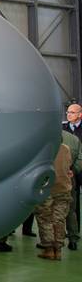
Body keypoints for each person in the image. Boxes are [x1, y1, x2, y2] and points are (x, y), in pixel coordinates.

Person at [37, 135, 75, 260]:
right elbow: (69, 167)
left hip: (47, 188)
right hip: (64, 188)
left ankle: (49, 249)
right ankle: (58, 250)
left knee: (45, 218)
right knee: (59, 219)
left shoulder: (42, 150)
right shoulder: (66, 149)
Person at [63, 104, 82, 250]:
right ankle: (71, 236)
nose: (69, 114)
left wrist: (74, 170)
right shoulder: (65, 130)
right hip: (67, 175)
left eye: (72, 112)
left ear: (80, 114)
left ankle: (74, 235)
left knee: (72, 207)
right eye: (67, 112)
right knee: (70, 207)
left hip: (73, 174)